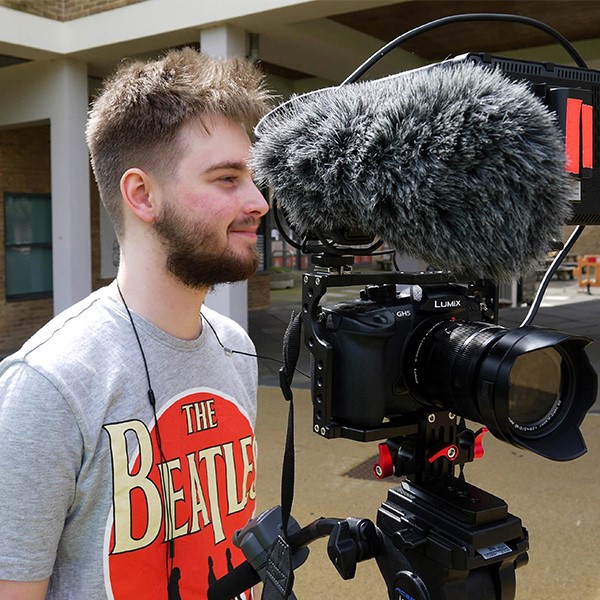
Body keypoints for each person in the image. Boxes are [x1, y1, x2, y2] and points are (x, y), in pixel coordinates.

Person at [0, 47, 272, 599]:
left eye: (254, 177)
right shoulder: (48, 386)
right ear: (142, 195)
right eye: (227, 178)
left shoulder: (238, 351)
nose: (260, 201)